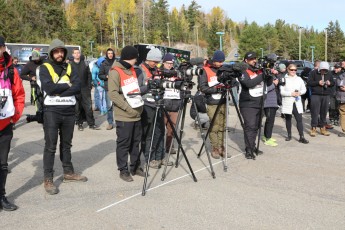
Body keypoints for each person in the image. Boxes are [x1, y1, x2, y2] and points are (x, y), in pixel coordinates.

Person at [39, 39, 87, 195]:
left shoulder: (70, 66)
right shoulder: (45, 67)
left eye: (62, 51)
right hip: (52, 112)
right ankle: (48, 178)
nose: (59, 54)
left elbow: (78, 86)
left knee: (66, 144)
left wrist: (61, 90)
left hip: (68, 111)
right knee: (50, 146)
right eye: (56, 51)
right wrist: (67, 86)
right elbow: (49, 88)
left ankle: (68, 172)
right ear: (52, 52)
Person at [108, 46, 145, 182]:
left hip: (137, 113)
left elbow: (135, 89)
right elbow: (112, 94)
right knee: (124, 144)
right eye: (135, 58)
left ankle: (135, 166)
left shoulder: (133, 70)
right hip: (124, 115)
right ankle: (123, 170)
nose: (136, 61)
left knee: (136, 143)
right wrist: (127, 109)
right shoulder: (115, 72)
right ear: (131, 58)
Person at [0, 36, 25, 211]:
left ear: (3, 48)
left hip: (5, 126)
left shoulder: (11, 70)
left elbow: (19, 95)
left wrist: (14, 117)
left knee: (2, 164)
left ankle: (1, 196)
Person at [137, 47, 169, 169]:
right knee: (148, 133)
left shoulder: (157, 70)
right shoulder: (140, 71)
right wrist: (149, 86)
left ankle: (160, 156)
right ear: (148, 59)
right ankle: (150, 158)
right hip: (146, 105)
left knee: (160, 131)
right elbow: (137, 90)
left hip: (158, 103)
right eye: (154, 62)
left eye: (157, 62)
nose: (156, 64)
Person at [238, 51, 271, 159]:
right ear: (246, 60)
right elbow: (248, 83)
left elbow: (269, 83)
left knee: (256, 127)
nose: (254, 61)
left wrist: (269, 74)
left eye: (255, 58)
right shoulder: (242, 70)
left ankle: (252, 146)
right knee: (250, 126)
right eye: (252, 59)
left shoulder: (258, 70)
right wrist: (262, 76)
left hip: (259, 102)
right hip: (247, 103)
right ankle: (249, 149)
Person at [199, 50, 227, 159]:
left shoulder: (224, 69)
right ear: (214, 60)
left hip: (223, 101)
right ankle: (214, 147)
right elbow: (203, 87)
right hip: (212, 102)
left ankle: (221, 146)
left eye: (222, 62)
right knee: (214, 125)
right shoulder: (205, 70)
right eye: (218, 62)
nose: (220, 64)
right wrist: (217, 89)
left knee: (222, 125)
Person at [71, 48, 99, 131]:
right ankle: (79, 123)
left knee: (88, 107)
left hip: (85, 88)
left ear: (80, 54)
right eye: (75, 53)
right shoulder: (70, 65)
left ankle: (91, 124)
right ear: (73, 55)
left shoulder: (85, 64)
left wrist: (89, 85)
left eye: (78, 53)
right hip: (75, 89)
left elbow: (89, 75)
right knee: (77, 108)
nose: (77, 54)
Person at [280, 64, 309, 144]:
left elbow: (304, 89)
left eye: (295, 70)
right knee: (288, 119)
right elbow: (282, 91)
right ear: (288, 70)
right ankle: (289, 135)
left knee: (299, 119)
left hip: (297, 102)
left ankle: (301, 136)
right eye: (292, 70)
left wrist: (299, 92)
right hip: (288, 101)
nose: (293, 71)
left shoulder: (299, 79)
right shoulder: (283, 79)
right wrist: (291, 94)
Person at [161, 53, 181, 156]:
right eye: (168, 63)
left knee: (172, 128)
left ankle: (169, 147)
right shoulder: (159, 73)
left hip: (175, 103)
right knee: (160, 128)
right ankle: (159, 150)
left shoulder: (176, 73)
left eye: (171, 63)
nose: (170, 65)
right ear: (163, 63)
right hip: (164, 103)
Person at [307, 61, 334, 137]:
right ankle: (313, 128)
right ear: (319, 69)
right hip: (315, 95)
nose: (324, 71)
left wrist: (329, 83)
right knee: (315, 112)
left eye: (325, 70)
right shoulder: (313, 73)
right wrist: (317, 83)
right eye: (322, 70)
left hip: (326, 95)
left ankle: (323, 127)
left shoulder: (329, 73)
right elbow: (309, 82)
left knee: (324, 112)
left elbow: (333, 83)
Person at [98, 48, 115, 130]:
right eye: (109, 53)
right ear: (107, 54)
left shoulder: (117, 63)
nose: (110, 55)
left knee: (119, 106)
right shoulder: (104, 64)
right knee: (109, 106)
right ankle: (110, 123)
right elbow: (100, 75)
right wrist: (106, 77)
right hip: (108, 87)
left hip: (117, 87)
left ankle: (120, 122)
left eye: (111, 53)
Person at [262, 74, 279, 147]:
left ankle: (266, 136)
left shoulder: (271, 76)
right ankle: (268, 139)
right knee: (270, 121)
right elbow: (264, 89)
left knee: (270, 121)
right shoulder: (264, 77)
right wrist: (274, 84)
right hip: (268, 103)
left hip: (272, 103)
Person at [336, 69, 345, 137]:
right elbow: (341, 86)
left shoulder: (341, 76)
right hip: (343, 98)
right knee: (343, 113)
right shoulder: (341, 76)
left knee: (343, 114)